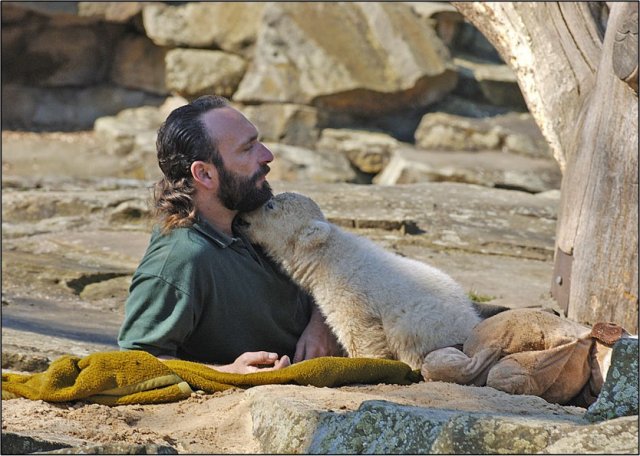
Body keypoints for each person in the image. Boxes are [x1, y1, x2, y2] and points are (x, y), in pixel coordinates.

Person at [118, 95, 342, 373]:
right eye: (248, 149)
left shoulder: (256, 213)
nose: (267, 155)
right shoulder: (180, 259)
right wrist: (228, 372)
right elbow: (136, 362)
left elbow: (331, 264)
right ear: (205, 174)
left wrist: (322, 325)